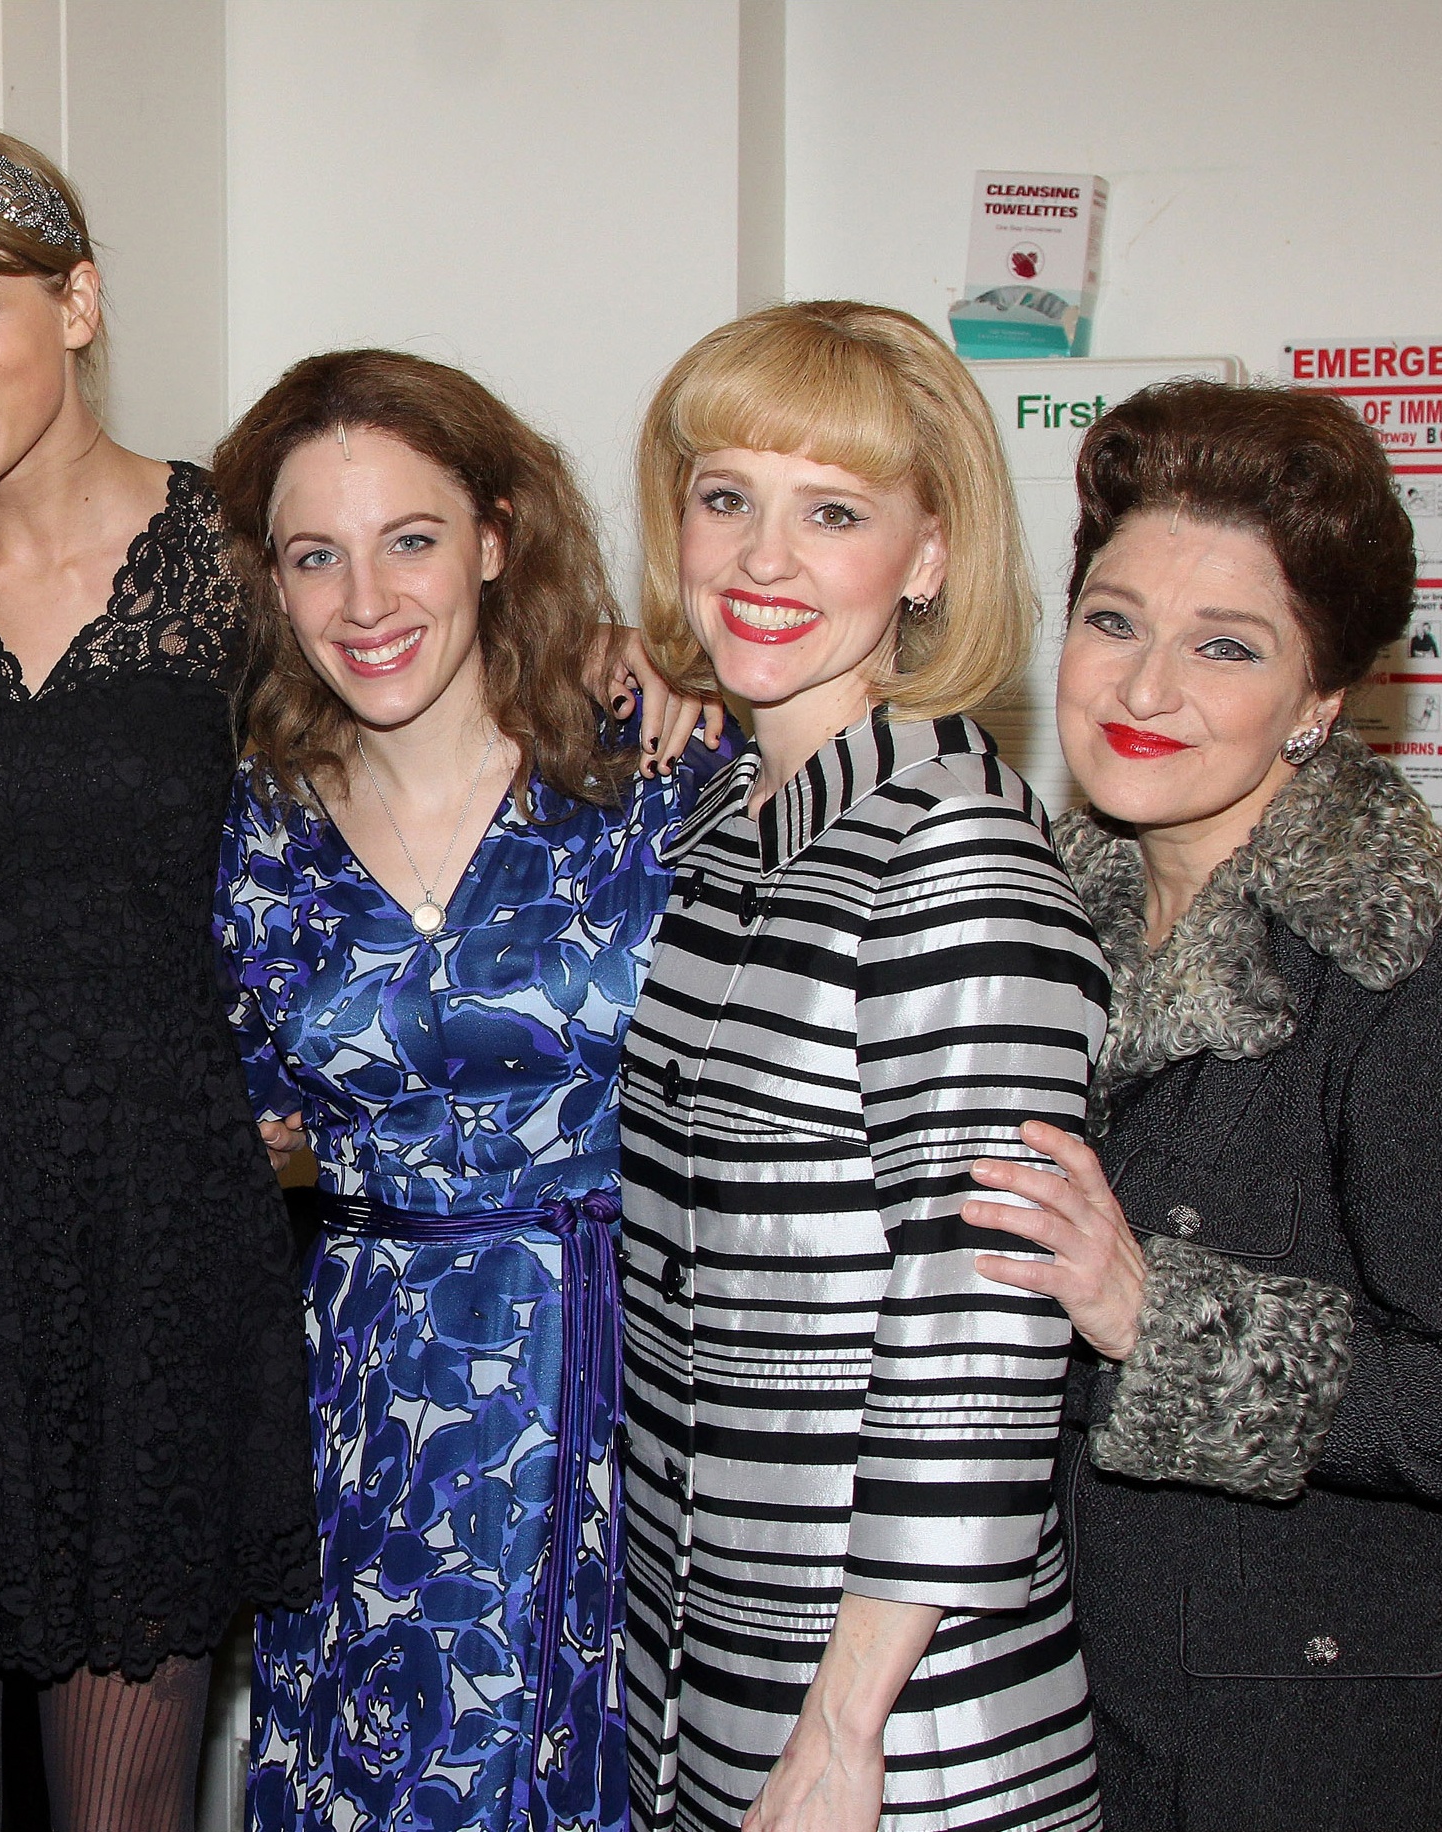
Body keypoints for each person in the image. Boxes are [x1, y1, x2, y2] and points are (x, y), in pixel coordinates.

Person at [0, 122, 315, 1832]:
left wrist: (630, 665)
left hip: (151, 1251)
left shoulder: (241, 562)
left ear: (76, 302)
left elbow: (404, 783)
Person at [213, 349, 729, 1832]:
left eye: (411, 540)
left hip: (642, 1383)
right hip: (378, 1414)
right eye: (318, 555)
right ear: (273, 581)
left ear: (497, 539)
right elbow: (216, 1103)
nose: (366, 602)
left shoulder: (657, 771)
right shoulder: (253, 831)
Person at [616, 300, 1107, 1832]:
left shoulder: (954, 845)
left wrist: (845, 1729)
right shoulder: (721, 837)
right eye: (726, 499)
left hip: (904, 1728)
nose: (763, 560)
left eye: (832, 512)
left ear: (931, 553)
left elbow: (982, 1332)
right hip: (709, 1674)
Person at [959, 380, 1442, 1830]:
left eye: (1223, 647)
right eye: (1112, 621)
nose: (1142, 688)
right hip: (1058, 1699)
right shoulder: (1034, 926)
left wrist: (1157, 1320)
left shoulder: (1400, 973)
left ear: (1321, 698)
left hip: (1306, 1736)